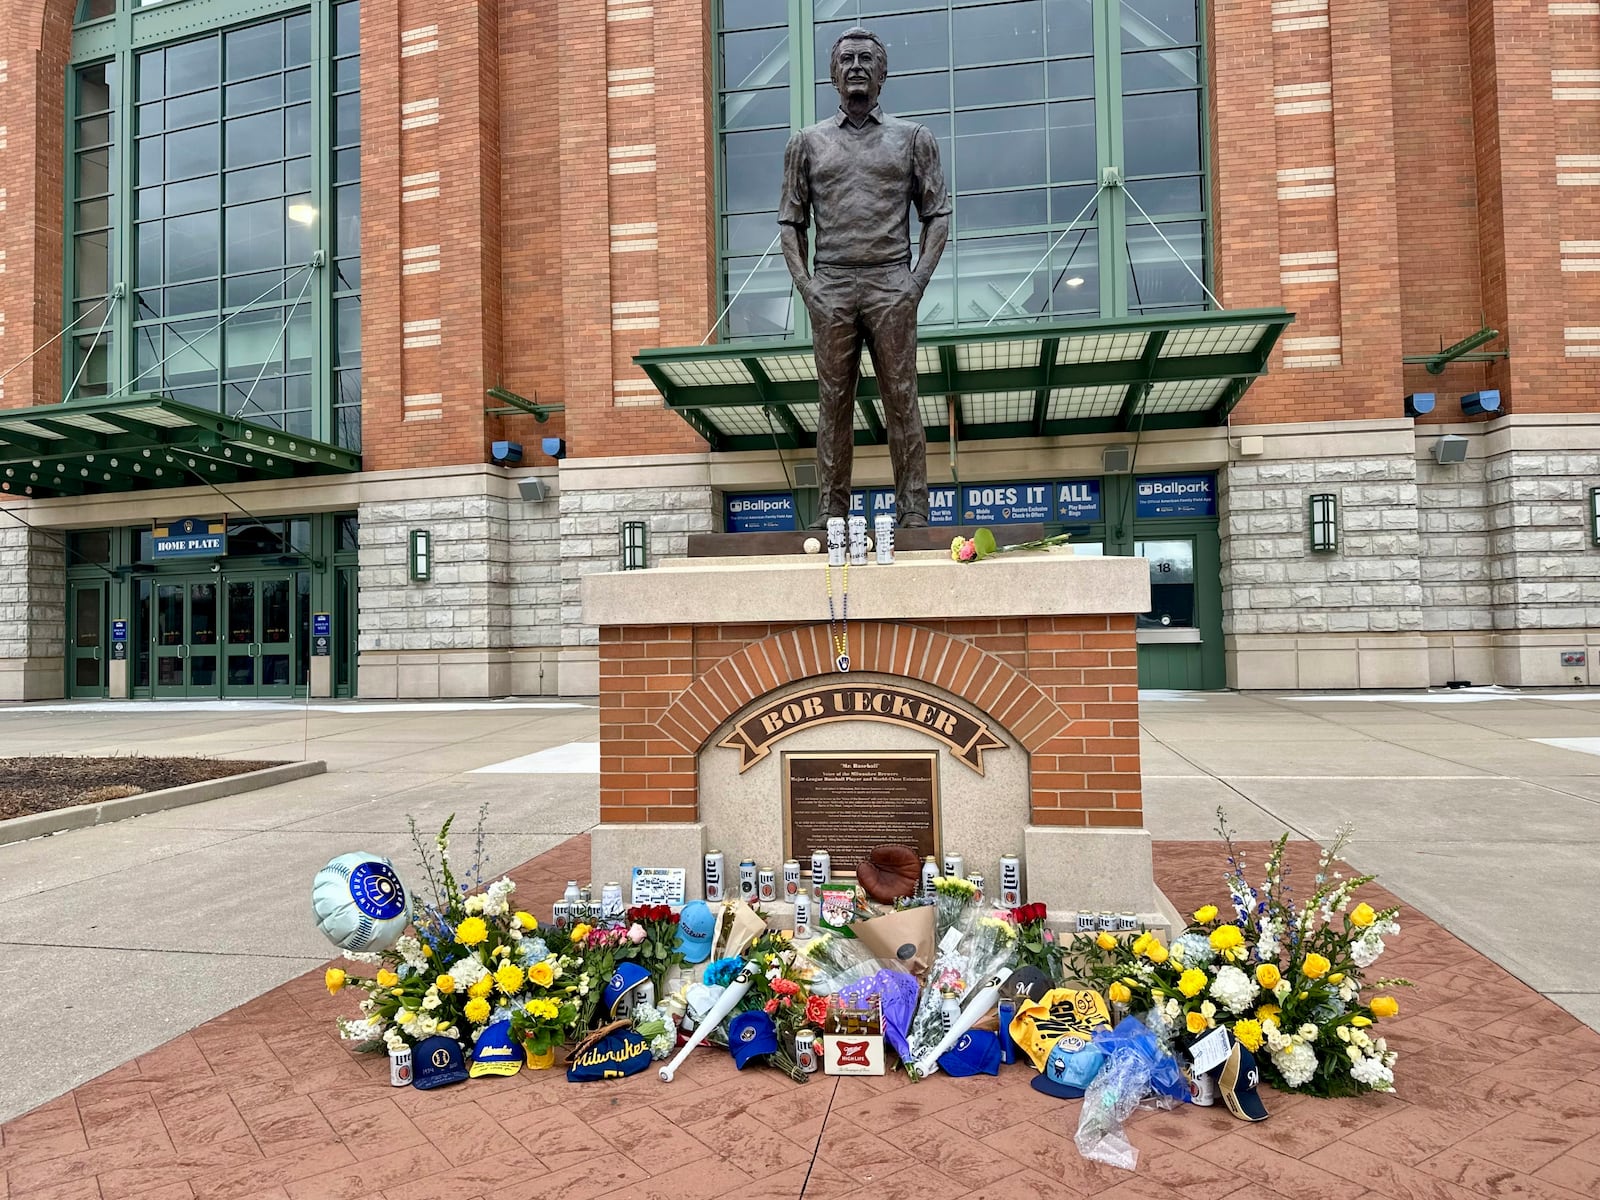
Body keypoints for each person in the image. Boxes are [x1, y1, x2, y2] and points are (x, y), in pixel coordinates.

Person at [778, 27, 951, 528]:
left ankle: (914, 512)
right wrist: (808, 287)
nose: (856, 66)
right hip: (830, 285)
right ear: (833, 74)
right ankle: (831, 512)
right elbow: (791, 222)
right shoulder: (806, 143)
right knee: (833, 403)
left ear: (883, 73)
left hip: (890, 281)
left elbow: (936, 214)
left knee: (902, 397)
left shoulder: (913, 138)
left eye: (866, 59)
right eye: (846, 59)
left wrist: (915, 283)